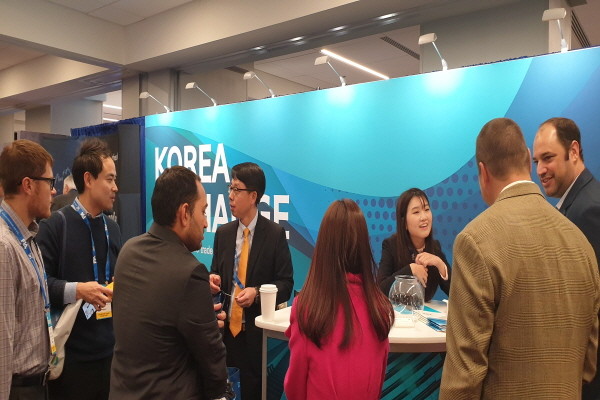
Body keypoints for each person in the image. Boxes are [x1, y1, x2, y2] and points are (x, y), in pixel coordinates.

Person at [440, 118, 600, 399]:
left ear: (483, 172)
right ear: (527, 159)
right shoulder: (580, 242)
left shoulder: (475, 241)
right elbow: (588, 363)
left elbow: (464, 377)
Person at [110, 166, 231, 399]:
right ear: (185, 213)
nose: (206, 223)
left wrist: (199, 314)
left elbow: (150, 325)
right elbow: (212, 357)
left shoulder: (129, 250)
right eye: (203, 211)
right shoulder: (190, 272)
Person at [284, 199, 394, 400]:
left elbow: (295, 387)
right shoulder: (379, 308)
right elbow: (377, 383)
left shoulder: (309, 308)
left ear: (324, 246)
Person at [37, 138, 121, 400]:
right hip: (69, 359)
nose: (115, 188)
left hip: (109, 355)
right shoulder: (55, 226)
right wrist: (78, 291)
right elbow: (40, 286)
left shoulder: (112, 228)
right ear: (88, 179)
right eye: (109, 179)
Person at [210, 162, 294, 400]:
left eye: (236, 189)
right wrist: (213, 279)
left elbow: (286, 284)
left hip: (256, 337)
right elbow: (215, 271)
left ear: (253, 196)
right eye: (230, 188)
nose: (230, 195)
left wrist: (257, 293)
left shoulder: (274, 234)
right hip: (225, 335)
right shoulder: (223, 233)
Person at [533, 117, 600, 399]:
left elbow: (587, 309)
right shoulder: (573, 206)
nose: (540, 170)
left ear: (573, 151)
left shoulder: (589, 210)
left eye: (548, 158)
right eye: (536, 161)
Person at [0, 140, 56, 400]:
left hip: (37, 384)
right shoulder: (4, 247)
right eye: (49, 182)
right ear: (28, 185)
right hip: (16, 389)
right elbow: (2, 344)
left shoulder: (28, 236)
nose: (54, 191)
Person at [377, 188, 450, 301]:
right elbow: (380, 289)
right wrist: (410, 271)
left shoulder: (435, 247)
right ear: (404, 222)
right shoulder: (391, 245)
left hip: (425, 312)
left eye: (426, 209)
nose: (424, 217)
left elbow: (457, 293)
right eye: (416, 212)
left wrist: (440, 264)